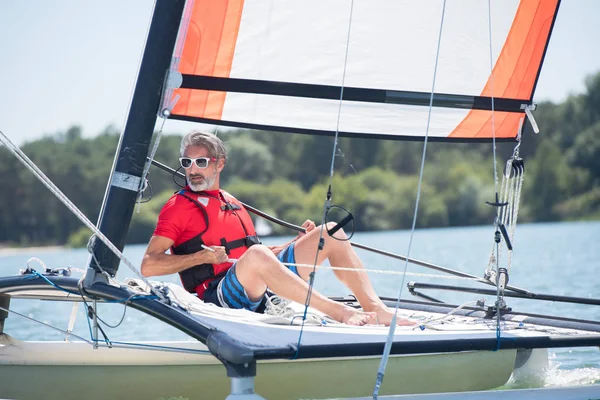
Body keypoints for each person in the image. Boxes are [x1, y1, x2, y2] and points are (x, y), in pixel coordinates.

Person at [141, 131, 414, 327]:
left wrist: (293, 244)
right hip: (218, 297)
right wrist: (201, 258)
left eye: (201, 162)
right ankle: (339, 312)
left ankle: (374, 308)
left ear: (219, 163)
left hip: (257, 285)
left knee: (330, 232)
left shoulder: (231, 202)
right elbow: (149, 266)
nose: (193, 170)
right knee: (259, 254)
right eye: (187, 163)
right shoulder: (178, 206)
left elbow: (255, 257)